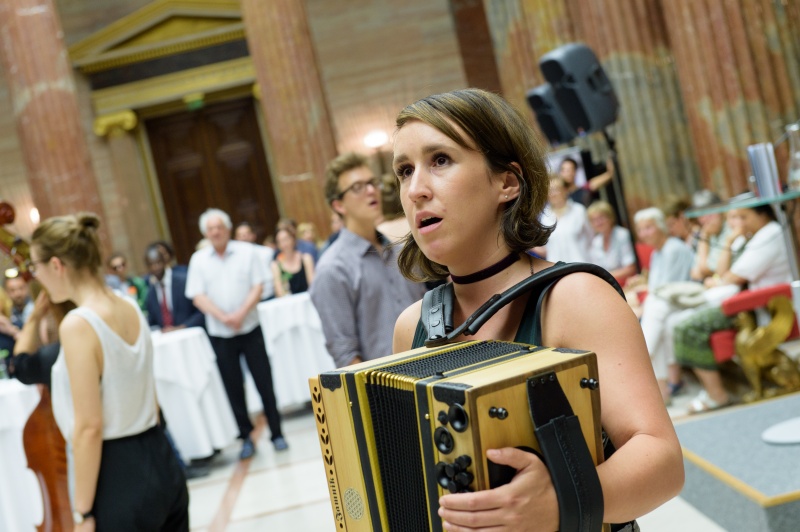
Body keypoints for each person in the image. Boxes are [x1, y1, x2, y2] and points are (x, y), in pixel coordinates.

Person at [391, 88, 683, 530]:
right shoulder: (411, 326)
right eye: (404, 171)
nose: (415, 190)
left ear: (507, 182)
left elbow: (663, 463)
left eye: (441, 160)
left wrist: (560, 502)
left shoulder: (575, 297)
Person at [30, 212, 188, 530]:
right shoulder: (127, 304)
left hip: (118, 474)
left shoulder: (79, 324)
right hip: (161, 456)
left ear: (56, 265)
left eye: (36, 266)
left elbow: (89, 427)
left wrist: (83, 513)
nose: (35, 275)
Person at [185, 208, 287, 457]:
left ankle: (277, 433)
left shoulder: (246, 252)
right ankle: (246, 437)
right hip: (221, 334)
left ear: (228, 229)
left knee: (264, 381)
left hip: (250, 327)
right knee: (233, 387)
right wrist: (223, 317)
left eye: (219, 227)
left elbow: (258, 285)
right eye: (210, 229)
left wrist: (240, 313)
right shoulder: (198, 260)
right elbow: (197, 296)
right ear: (205, 233)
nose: (215, 232)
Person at [310, 152, 426, 368]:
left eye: (373, 182)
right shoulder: (332, 269)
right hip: (384, 381)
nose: (371, 190)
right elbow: (345, 354)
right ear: (339, 205)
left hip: (433, 369)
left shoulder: (402, 252)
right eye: (357, 187)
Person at [674, 204, 792, 413]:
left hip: (758, 305)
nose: (737, 224)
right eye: (734, 218)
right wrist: (729, 242)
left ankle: (717, 394)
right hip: (744, 301)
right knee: (677, 322)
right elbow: (722, 273)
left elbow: (732, 277)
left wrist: (721, 279)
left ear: (762, 215)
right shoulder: (748, 237)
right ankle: (719, 389)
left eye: (743, 217)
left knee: (687, 328)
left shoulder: (769, 233)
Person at [631, 207, 695, 401]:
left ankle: (641, 354)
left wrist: (643, 306)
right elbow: (655, 289)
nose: (644, 234)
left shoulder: (674, 248)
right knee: (656, 322)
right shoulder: (656, 254)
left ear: (661, 227)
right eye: (640, 229)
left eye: (648, 227)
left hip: (682, 299)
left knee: (653, 309)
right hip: (663, 304)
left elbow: (668, 289)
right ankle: (662, 393)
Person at [531, 175, 592, 262]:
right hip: (557, 267)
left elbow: (591, 237)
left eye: (556, 189)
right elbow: (547, 248)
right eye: (549, 190)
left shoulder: (579, 210)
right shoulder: (544, 217)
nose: (553, 194)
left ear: (565, 190)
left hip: (580, 265)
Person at [143, 245, 205, 331]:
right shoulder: (151, 292)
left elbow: (201, 311)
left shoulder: (183, 281)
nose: (155, 267)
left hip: (189, 333)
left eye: (158, 263)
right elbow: (153, 321)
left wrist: (182, 327)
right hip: (166, 337)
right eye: (151, 265)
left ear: (164, 262)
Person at [586, 200, 637, 285]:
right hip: (607, 283)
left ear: (610, 218)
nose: (598, 223)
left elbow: (630, 268)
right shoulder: (596, 241)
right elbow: (595, 269)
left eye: (601, 218)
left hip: (626, 283)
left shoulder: (622, 235)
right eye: (594, 220)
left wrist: (604, 277)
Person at [234, 221, 276, 301]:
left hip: (269, 296)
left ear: (253, 235)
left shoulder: (266, 252)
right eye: (240, 235)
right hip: (246, 300)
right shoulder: (233, 260)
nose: (244, 237)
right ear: (236, 239)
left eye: (246, 234)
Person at [271, 226, 315, 296]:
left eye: (286, 239)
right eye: (280, 241)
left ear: (293, 239)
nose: (284, 244)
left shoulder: (306, 258)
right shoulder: (276, 265)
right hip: (289, 301)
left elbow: (313, 285)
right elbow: (279, 292)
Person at [0, 275, 34, 354]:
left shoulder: (14, 324)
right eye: (12, 290)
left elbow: (31, 346)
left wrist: (11, 330)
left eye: (21, 288)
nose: (18, 293)